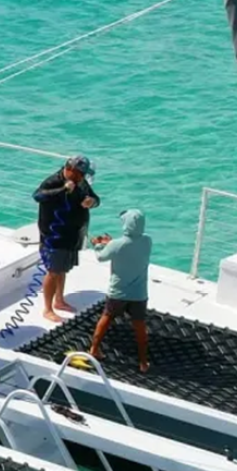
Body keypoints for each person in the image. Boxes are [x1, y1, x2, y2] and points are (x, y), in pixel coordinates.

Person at [32, 155, 100, 323]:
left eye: (83, 175)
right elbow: (37, 196)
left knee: (63, 269)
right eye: (79, 174)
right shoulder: (53, 181)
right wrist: (63, 189)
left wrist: (92, 202)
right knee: (53, 271)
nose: (81, 178)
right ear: (69, 170)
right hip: (54, 236)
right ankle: (47, 309)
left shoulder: (82, 182)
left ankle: (59, 300)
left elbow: (96, 199)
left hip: (72, 235)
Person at [89, 208, 153, 373]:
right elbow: (128, 246)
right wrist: (111, 242)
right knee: (140, 326)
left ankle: (94, 349)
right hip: (139, 294)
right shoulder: (147, 241)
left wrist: (97, 244)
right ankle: (143, 362)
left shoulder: (116, 244)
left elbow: (101, 256)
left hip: (118, 293)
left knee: (106, 319)